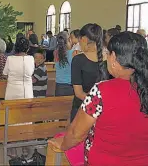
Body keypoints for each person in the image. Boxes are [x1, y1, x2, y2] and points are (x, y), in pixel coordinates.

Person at [49, 32, 148, 166]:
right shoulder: (142, 89)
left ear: (113, 57)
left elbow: (76, 133)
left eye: (108, 53)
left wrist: (64, 144)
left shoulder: (101, 91)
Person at [70, 23, 108, 122]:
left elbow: (78, 93)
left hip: (82, 109)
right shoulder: (110, 58)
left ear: (84, 39)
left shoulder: (78, 60)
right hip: (104, 110)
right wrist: (100, 105)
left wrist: (95, 104)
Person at [54, 32, 76, 96]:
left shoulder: (55, 53)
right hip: (71, 85)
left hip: (59, 85)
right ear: (69, 40)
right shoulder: (74, 53)